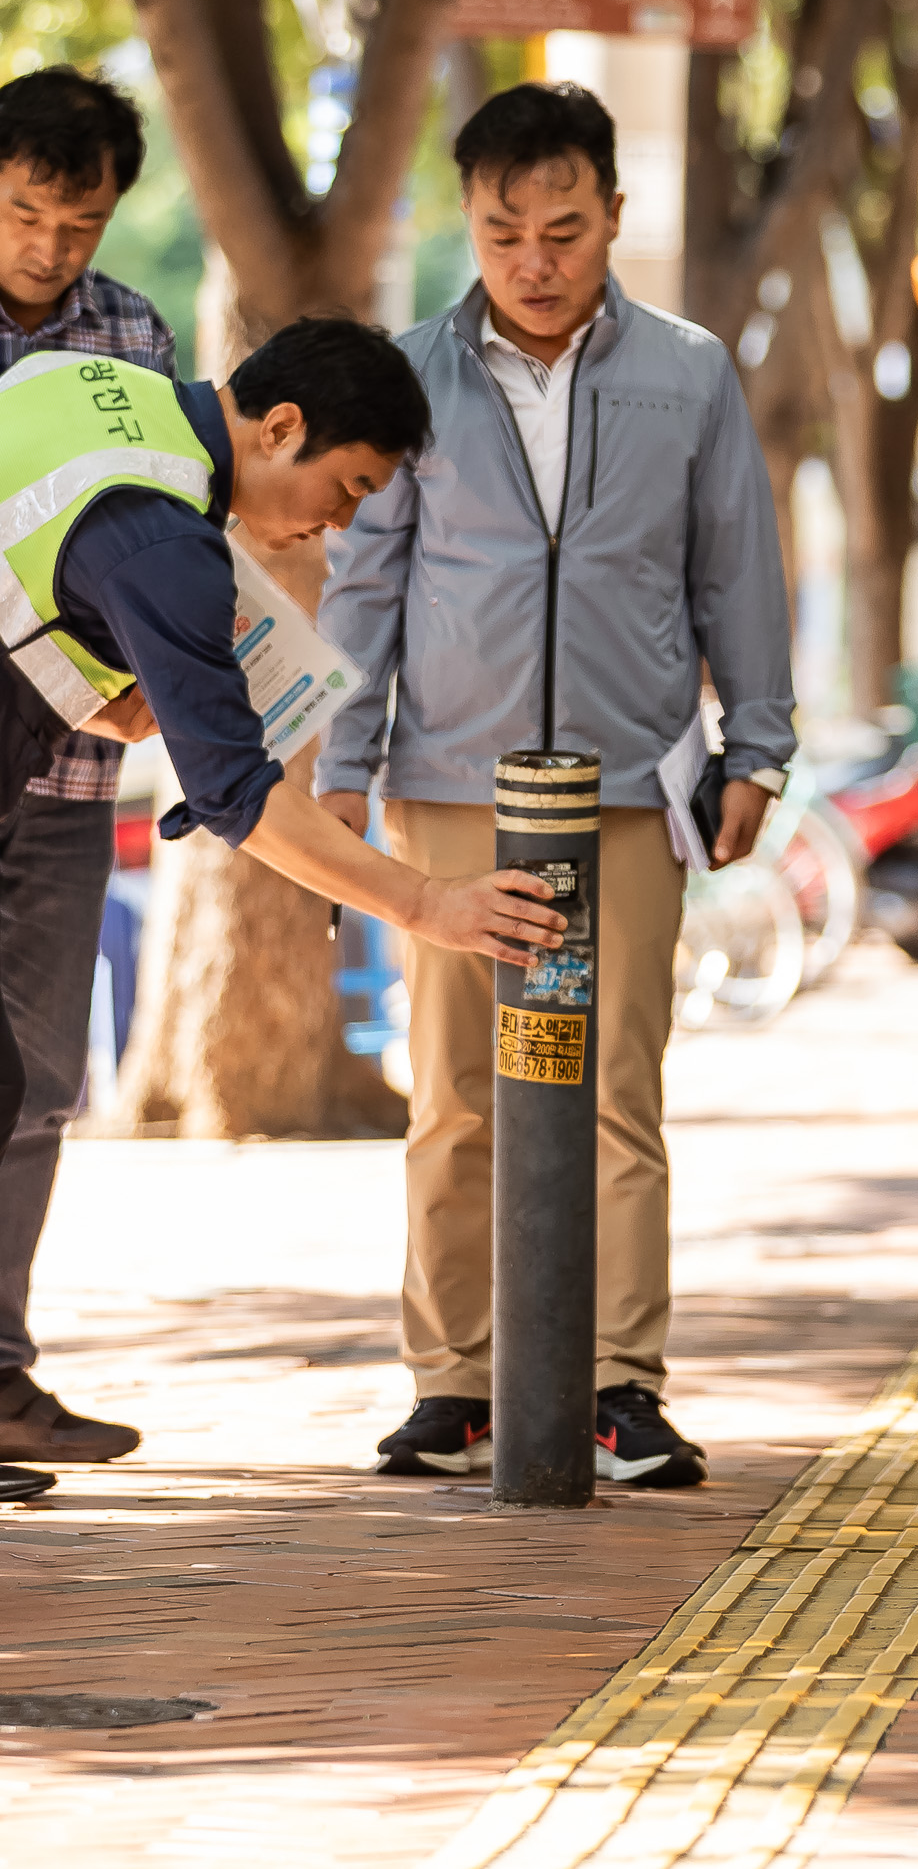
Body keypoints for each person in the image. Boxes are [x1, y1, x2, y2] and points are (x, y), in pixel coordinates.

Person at [314, 82, 795, 1486]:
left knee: (613, 1086)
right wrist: (345, 768)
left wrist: (754, 745)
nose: (533, 259)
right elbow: (366, 587)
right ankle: (453, 1379)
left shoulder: (689, 373)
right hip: (451, 784)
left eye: (564, 229)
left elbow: (736, 570)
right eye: (502, 230)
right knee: (454, 1086)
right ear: (466, 222)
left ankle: (616, 1381)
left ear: (613, 220)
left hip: (627, 785)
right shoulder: (410, 376)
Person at [0, 317, 566, 1452]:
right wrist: (429, 905)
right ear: (281, 426)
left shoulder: (90, 385)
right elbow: (241, 800)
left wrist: (89, 682)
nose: (339, 523)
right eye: (345, 487)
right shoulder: (166, 541)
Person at [0, 65, 174, 1502]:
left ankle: (1, 1376)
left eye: (81, 222)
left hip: (68, 771)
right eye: (25, 215)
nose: (52, 250)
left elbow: (163, 542)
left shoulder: (131, 337)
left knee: (41, 1079)